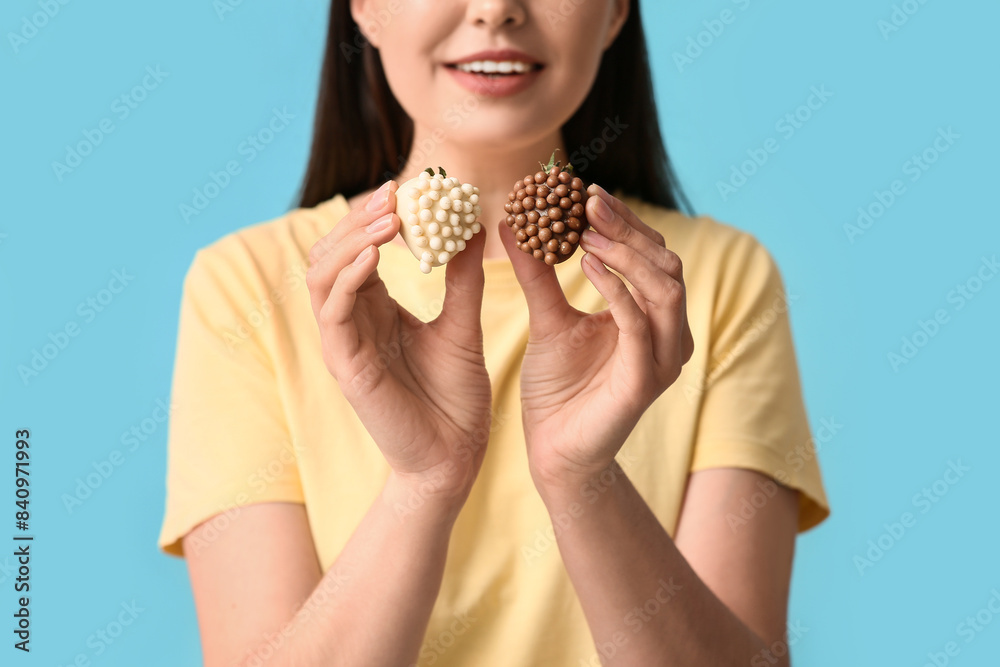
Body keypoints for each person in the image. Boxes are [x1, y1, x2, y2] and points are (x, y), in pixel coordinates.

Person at [158, 1, 830, 665]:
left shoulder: (709, 282)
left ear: (618, 11)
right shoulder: (250, 285)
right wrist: (424, 483)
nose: (497, 10)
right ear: (364, 7)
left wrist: (581, 477)